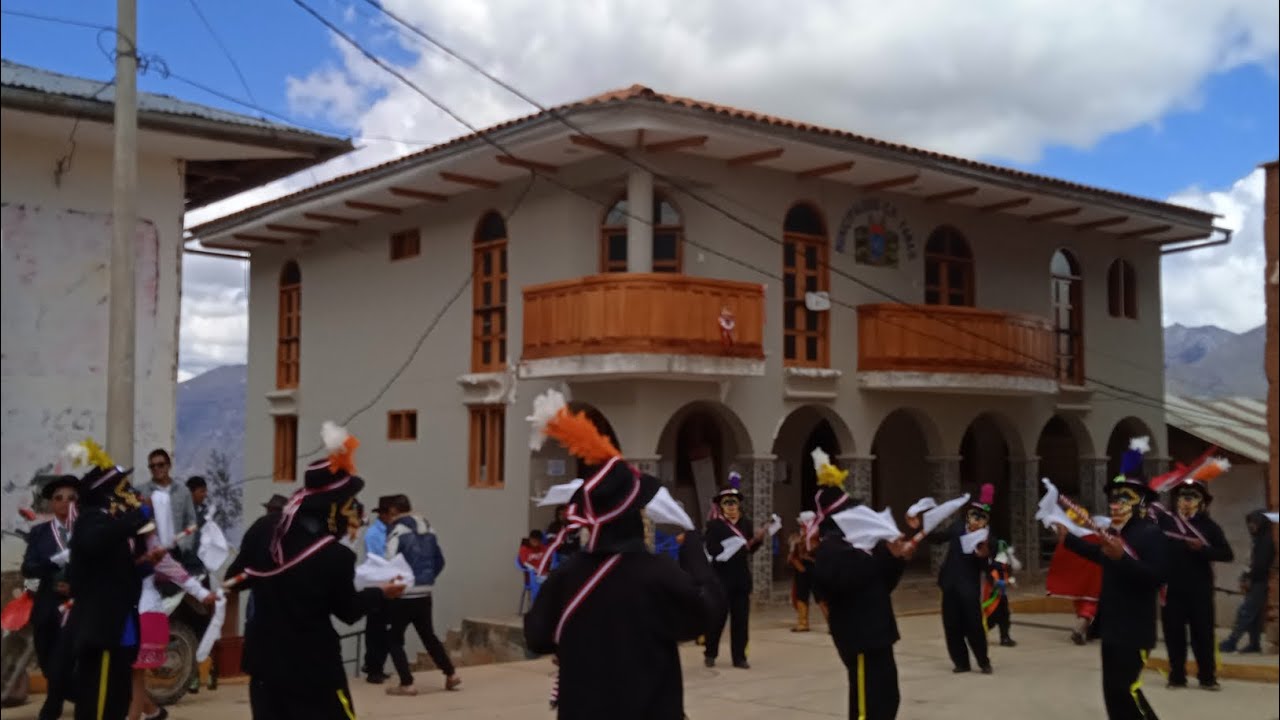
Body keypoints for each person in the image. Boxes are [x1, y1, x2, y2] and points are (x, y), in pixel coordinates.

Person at [522, 388, 724, 719]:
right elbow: (707, 614)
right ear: (636, 515)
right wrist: (697, 555)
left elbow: (537, 635)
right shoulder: (658, 572)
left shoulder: (568, 575)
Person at [229, 422, 404, 719]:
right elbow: (347, 611)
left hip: (265, 666)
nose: (353, 512)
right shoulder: (335, 556)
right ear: (333, 508)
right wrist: (381, 594)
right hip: (313, 670)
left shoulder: (264, 530)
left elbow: (234, 581)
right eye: (349, 505)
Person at [1053, 439, 1168, 720]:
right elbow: (1101, 555)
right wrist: (1069, 541)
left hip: (1135, 630)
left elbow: (1156, 577)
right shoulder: (1119, 535)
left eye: (1124, 497)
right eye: (1114, 498)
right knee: (1112, 694)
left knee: (1127, 689)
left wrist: (1123, 559)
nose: (1116, 504)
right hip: (1113, 628)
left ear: (1141, 501)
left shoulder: (1150, 535)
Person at [810, 450, 916, 720]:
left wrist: (897, 559)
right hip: (859, 637)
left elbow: (882, 584)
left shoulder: (862, 548)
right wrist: (885, 554)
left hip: (879, 634)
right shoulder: (831, 550)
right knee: (866, 707)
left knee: (887, 699)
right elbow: (850, 579)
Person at [63, 440, 154, 720]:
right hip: (101, 630)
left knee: (116, 699)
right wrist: (137, 517)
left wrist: (146, 565)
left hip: (121, 628)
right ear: (107, 492)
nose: (128, 492)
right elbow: (94, 542)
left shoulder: (110, 524)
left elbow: (118, 571)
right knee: (98, 704)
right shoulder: (91, 520)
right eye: (122, 487)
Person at [1157, 476, 1232, 690]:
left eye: (1193, 496)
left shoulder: (1209, 527)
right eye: (1183, 496)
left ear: (1202, 501)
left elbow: (1227, 554)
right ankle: (1177, 676)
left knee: (1203, 635)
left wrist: (1203, 550)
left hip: (1200, 590)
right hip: (1172, 589)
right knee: (1174, 635)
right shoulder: (1166, 523)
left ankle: (1207, 677)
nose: (1187, 500)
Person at [382, 494, 460, 696]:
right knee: (429, 636)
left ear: (393, 511)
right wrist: (427, 579)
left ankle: (406, 683)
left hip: (403, 593)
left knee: (394, 639)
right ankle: (450, 674)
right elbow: (440, 560)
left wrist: (389, 586)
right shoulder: (429, 529)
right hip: (425, 592)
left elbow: (389, 562)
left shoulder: (396, 531)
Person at [914, 483, 994, 675]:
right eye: (974, 515)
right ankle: (961, 662)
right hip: (949, 583)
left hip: (969, 588)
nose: (976, 520)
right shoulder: (958, 528)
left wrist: (984, 556)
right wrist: (921, 529)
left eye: (981, 517)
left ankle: (983, 661)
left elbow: (989, 567)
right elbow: (938, 538)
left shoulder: (987, 538)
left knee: (974, 626)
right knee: (951, 625)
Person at [21, 475, 78, 720]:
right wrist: (51, 563)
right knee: (46, 659)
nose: (65, 503)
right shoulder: (40, 533)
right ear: (52, 504)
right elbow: (28, 568)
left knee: (64, 657)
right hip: (47, 605)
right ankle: (70, 693)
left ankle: (53, 703)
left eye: (71, 498)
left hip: (76, 606)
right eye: (59, 498)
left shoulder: (88, 531)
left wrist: (75, 586)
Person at [702, 473, 767, 669]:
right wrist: (729, 548)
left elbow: (750, 550)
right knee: (717, 617)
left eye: (734, 502)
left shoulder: (746, 523)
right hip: (721, 577)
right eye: (727, 502)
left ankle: (739, 657)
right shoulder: (714, 525)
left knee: (741, 620)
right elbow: (712, 549)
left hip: (741, 578)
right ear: (721, 505)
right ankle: (710, 652)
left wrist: (758, 540)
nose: (731, 506)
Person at [1220, 509, 1275, 653]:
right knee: (1255, 616)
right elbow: (1251, 563)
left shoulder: (1265, 542)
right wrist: (1245, 577)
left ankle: (1231, 642)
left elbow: (1261, 565)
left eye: (1254, 522)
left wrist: (1250, 578)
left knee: (1245, 612)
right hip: (1255, 582)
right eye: (1249, 522)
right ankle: (1254, 644)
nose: (1251, 526)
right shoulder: (1258, 541)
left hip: (1259, 582)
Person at [135, 449, 198, 567]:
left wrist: (183, 546)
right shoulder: (140, 491)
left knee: (176, 583)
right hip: (151, 553)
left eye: (160, 465)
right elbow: (134, 522)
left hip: (176, 551)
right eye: (152, 466)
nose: (156, 468)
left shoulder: (183, 491)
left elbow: (191, 521)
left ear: (169, 465)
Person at [362, 496, 394, 683]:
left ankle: (379, 665)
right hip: (376, 584)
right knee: (375, 628)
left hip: (388, 584)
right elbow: (378, 559)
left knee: (386, 628)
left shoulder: (393, 532)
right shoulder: (374, 533)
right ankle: (373, 668)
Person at [786, 510, 821, 632]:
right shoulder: (799, 536)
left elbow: (817, 550)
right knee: (801, 596)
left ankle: (832, 623)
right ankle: (803, 623)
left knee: (821, 596)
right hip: (801, 568)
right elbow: (793, 553)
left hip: (815, 567)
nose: (801, 525)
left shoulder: (818, 535)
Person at [984, 542, 1020, 648]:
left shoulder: (1004, 568)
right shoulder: (993, 567)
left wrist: (1009, 582)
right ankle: (976, 633)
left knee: (1004, 617)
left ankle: (1005, 637)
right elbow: (994, 582)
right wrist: (1007, 582)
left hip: (1001, 596)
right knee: (992, 619)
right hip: (993, 597)